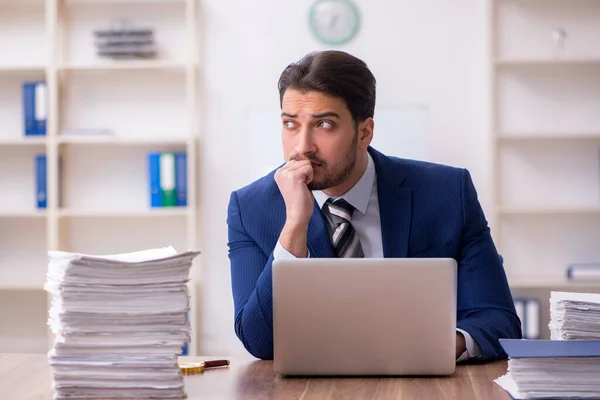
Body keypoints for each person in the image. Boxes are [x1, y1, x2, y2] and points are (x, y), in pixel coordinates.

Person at [227, 50, 522, 362]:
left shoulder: (447, 192)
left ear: (364, 132)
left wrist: (440, 345)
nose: (302, 146)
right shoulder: (250, 208)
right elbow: (258, 342)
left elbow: (499, 321)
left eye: (324, 125)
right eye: (291, 124)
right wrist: (294, 226)